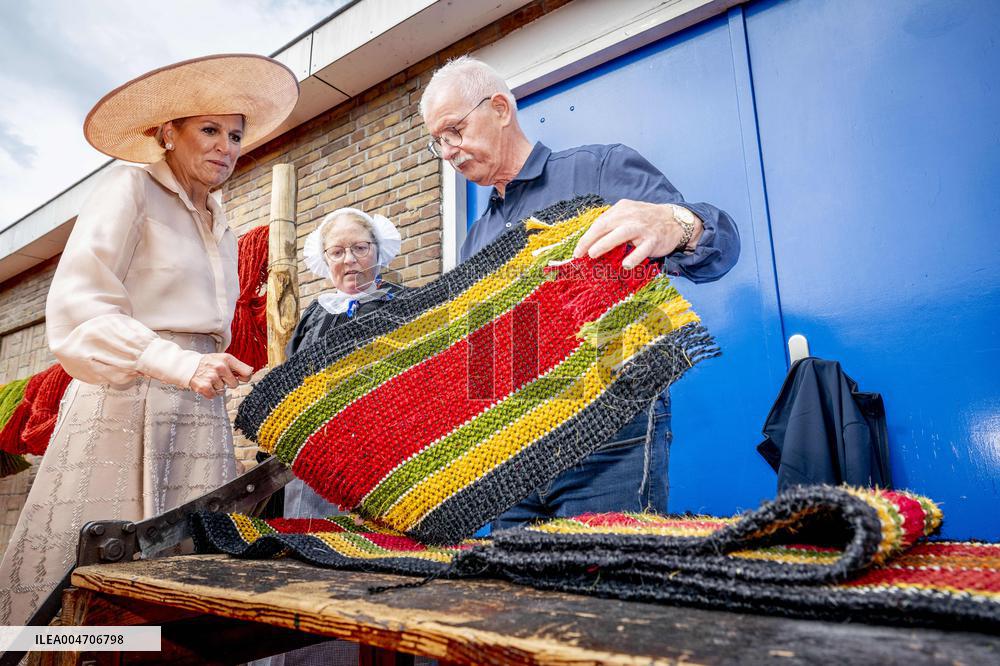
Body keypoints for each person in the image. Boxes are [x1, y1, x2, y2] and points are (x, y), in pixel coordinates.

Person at [0, 54, 298, 626]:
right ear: (168, 133)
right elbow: (79, 308)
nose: (226, 146)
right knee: (88, 574)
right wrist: (174, 361)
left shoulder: (223, 220)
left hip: (196, 412)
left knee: (180, 581)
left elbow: (201, 323)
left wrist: (215, 363)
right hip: (126, 399)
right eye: (209, 130)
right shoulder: (128, 189)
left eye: (234, 134)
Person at [418, 56, 740, 530]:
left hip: (608, 439)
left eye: (454, 131)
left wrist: (676, 222)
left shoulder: (599, 171)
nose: (448, 151)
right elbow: (482, 353)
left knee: (605, 585)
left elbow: (720, 246)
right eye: (438, 142)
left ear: (501, 108)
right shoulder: (476, 238)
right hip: (511, 455)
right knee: (513, 593)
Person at [280, 207, 404, 517]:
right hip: (319, 461)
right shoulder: (313, 315)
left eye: (359, 248)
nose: (349, 259)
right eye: (336, 251)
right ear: (325, 260)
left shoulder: (407, 305)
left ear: (378, 249)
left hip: (387, 456)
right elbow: (289, 384)